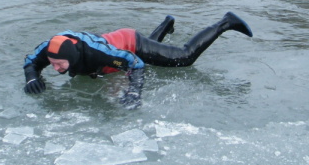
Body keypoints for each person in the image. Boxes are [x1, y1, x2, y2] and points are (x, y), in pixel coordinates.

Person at [23, 12, 253, 108]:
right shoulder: (50, 48)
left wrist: (134, 92)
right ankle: (166, 24)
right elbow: (30, 61)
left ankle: (226, 22)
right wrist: (31, 78)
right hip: (116, 49)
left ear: (71, 57)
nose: (54, 68)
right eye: (52, 63)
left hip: (130, 42)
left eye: (59, 64)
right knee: (155, 56)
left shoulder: (102, 54)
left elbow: (136, 64)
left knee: (183, 58)